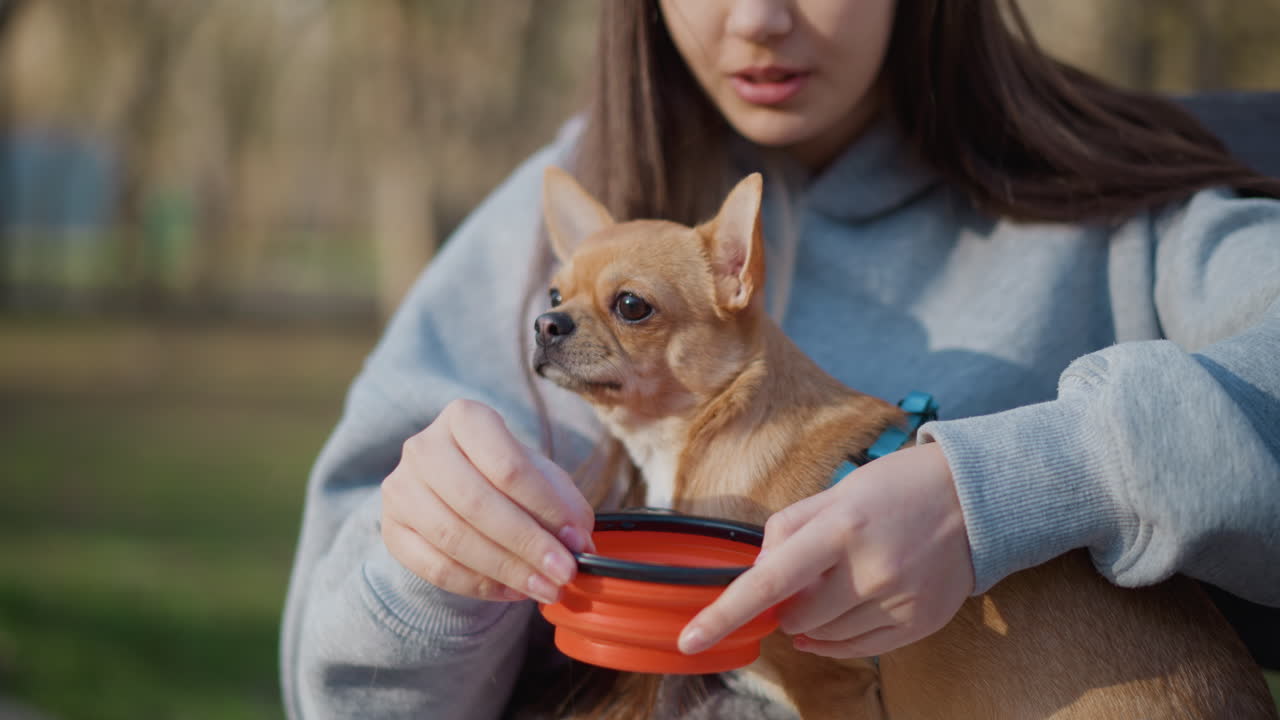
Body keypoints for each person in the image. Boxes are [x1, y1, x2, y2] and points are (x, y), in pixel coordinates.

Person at [280, 1, 1280, 717]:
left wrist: (1011, 487)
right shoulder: (563, 205)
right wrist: (413, 571)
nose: (755, 18)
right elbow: (335, 689)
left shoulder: (1122, 197)